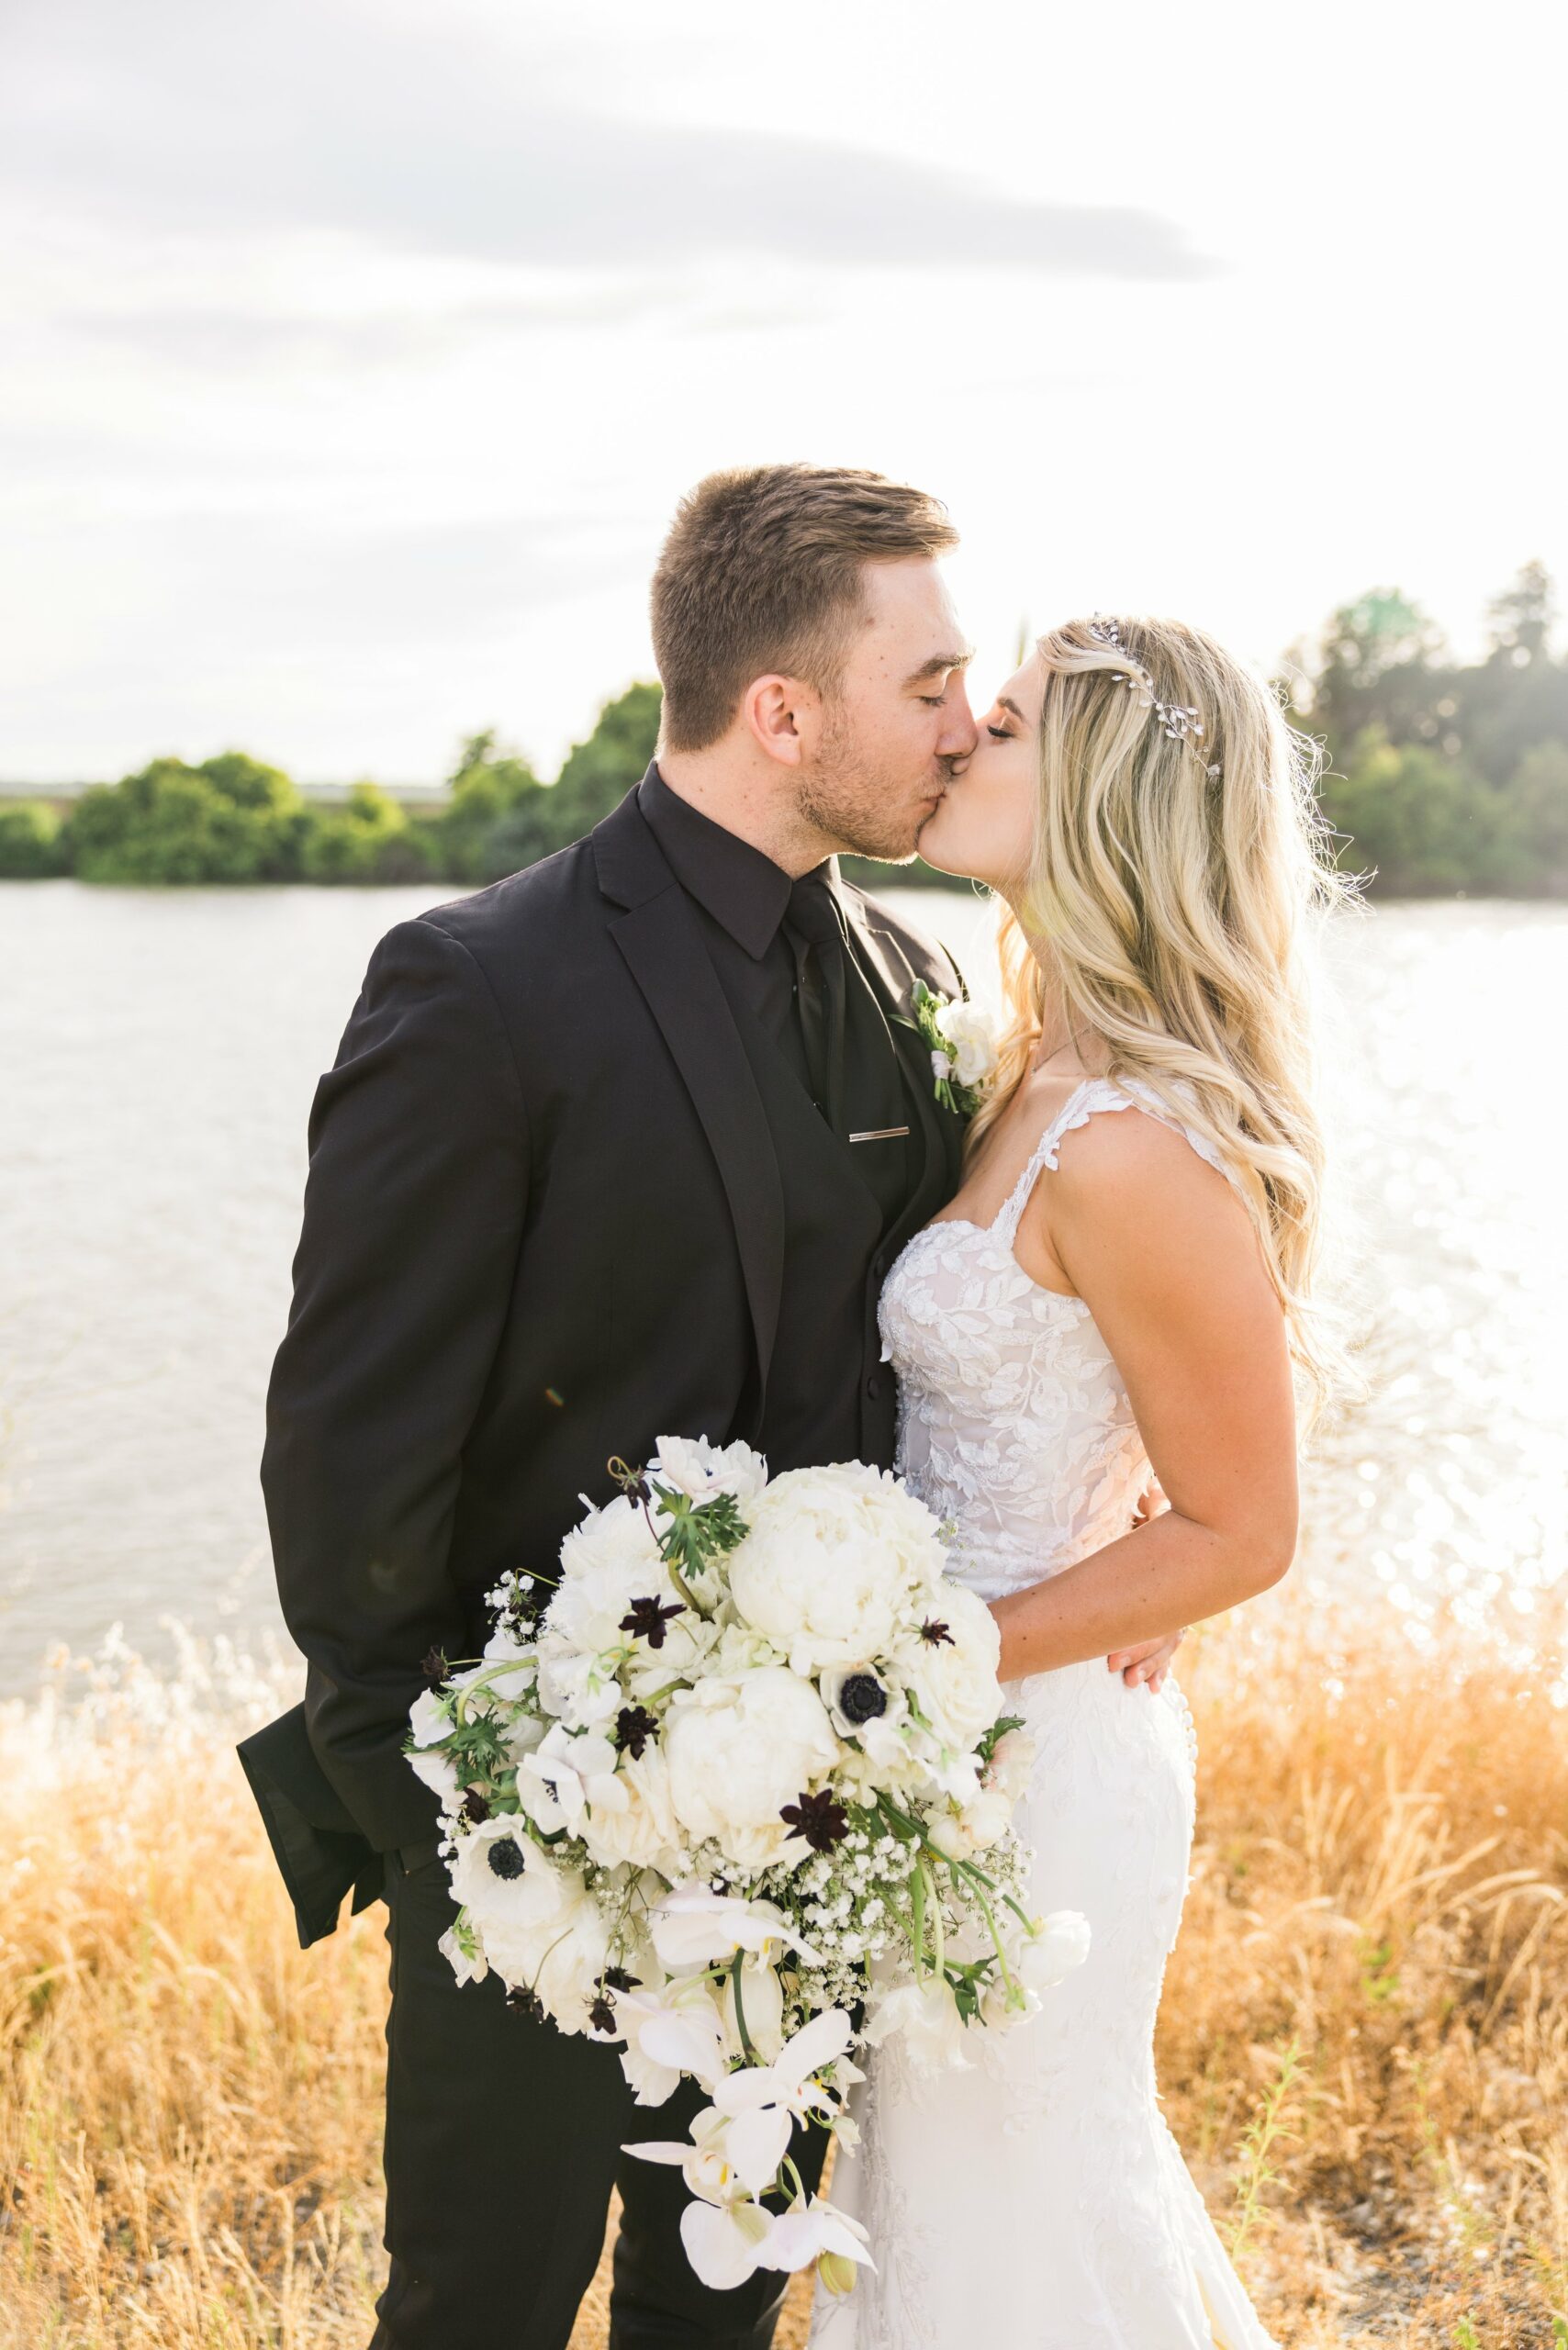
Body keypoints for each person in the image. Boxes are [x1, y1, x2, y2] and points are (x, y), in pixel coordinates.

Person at [249, 465, 1182, 2348]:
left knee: (724, 2310)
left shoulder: (923, 990)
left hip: (818, 1839)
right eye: (926, 683)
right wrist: (466, 1838)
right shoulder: (477, 985)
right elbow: (346, 1463)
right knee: (474, 2307)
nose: (965, 720)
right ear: (782, 712)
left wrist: (1128, 1486)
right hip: (526, 1828)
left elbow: (1003, 1306)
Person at [812, 615, 1341, 2350]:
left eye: (1011, 722)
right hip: (955, 1729)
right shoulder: (1024, 1061)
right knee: (937, 2215)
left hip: (1035, 1763)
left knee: (1023, 2217)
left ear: (1104, 796)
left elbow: (1246, 1527)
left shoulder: (1131, 1147)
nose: (961, 735)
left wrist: (948, 1655)